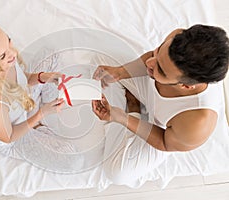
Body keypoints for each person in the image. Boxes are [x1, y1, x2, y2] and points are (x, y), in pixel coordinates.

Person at [92, 24, 229, 183]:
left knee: (117, 174)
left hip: (159, 128)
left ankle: (133, 105)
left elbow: (164, 141)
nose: (149, 62)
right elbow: (150, 59)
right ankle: (138, 92)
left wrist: (123, 118)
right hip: (149, 86)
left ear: (185, 86)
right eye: (158, 51)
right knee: (99, 58)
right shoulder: (178, 37)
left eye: (161, 69)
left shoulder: (197, 124)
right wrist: (120, 72)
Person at [0, 16, 82, 172]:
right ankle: (41, 126)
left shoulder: (8, 61)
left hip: (23, 101)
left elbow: (22, 79)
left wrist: (43, 77)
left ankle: (46, 114)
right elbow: (10, 137)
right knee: (75, 161)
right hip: (17, 136)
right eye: (2, 55)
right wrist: (41, 114)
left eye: (8, 41)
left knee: (51, 54)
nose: (13, 53)